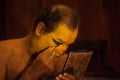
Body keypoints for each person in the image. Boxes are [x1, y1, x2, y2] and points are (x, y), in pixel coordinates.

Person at [0, 4, 79, 80]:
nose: (62, 51)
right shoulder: (3, 52)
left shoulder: (63, 60)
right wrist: (32, 74)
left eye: (68, 45)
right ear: (40, 29)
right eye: (57, 43)